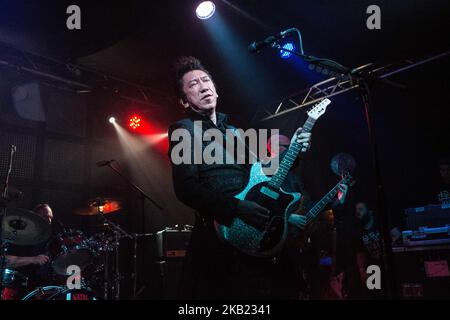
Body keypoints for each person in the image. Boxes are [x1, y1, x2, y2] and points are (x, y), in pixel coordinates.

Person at [168, 56, 313, 299]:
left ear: (216, 89)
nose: (203, 86)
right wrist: (236, 208)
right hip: (218, 237)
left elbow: (262, 172)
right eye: (193, 84)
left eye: (206, 80)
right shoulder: (184, 129)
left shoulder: (235, 132)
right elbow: (186, 188)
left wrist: (295, 151)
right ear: (184, 101)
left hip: (254, 231)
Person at [2, 204, 57, 299]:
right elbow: (6, 260)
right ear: (34, 217)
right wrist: (33, 259)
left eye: (51, 217)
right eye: (45, 216)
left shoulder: (51, 240)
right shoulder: (20, 236)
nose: (49, 220)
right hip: (20, 288)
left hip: (43, 288)